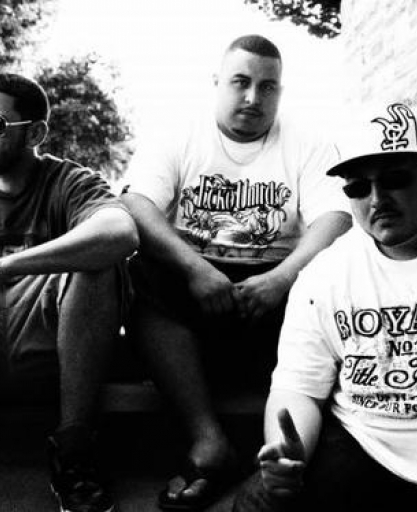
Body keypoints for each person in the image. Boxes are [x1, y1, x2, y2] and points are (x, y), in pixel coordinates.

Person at [122, 34, 351, 510]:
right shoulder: (178, 133)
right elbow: (137, 204)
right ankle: (209, 443)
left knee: (326, 279)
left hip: (273, 290)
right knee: (142, 270)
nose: (252, 97)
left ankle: (290, 455)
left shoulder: (307, 142)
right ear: (217, 83)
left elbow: (336, 218)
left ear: (280, 91)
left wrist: (283, 279)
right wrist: (194, 268)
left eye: (268, 87)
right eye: (240, 82)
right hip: (193, 288)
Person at [232, 101, 417, 512]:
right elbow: (299, 388)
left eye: (395, 179)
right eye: (357, 187)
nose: (377, 199)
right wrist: (288, 453)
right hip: (370, 447)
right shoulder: (326, 272)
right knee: (259, 503)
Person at [0, 73, 139, 512]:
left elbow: (121, 233)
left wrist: (4, 268)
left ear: (35, 133)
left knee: (99, 262)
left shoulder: (68, 181)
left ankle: (74, 451)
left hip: (50, 339)